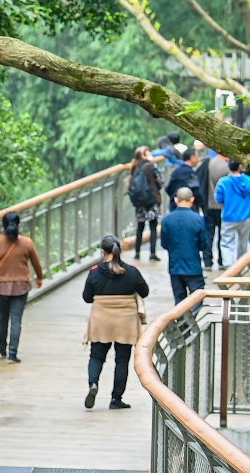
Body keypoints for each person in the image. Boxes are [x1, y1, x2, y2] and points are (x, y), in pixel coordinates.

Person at [82, 236, 150, 409]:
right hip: (125, 321)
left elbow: (87, 298)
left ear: (103, 251)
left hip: (101, 319)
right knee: (122, 360)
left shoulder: (95, 271)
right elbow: (145, 291)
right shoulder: (132, 271)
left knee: (96, 355)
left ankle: (93, 384)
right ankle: (116, 399)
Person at [0, 212, 43, 362]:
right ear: (19, 225)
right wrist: (39, 277)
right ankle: (12, 354)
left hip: (0, 287)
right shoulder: (27, 242)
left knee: (3, 318)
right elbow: (36, 262)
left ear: (3, 226)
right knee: (16, 319)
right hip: (21, 286)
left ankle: (1, 348)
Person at [160, 187, 209, 304]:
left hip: (174, 266)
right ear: (192, 199)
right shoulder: (198, 219)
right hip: (193, 266)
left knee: (179, 299)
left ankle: (183, 321)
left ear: (176, 200)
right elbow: (204, 244)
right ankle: (189, 320)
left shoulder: (167, 220)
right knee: (197, 297)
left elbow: (164, 243)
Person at [214, 158, 250, 266]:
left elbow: (218, 199)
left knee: (227, 243)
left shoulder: (223, 182)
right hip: (245, 216)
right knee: (243, 243)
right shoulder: (249, 181)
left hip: (228, 216)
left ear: (229, 166)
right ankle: (240, 265)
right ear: (240, 166)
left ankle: (229, 267)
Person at [128, 147, 162, 261]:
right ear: (143, 155)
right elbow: (160, 181)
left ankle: (137, 252)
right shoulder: (151, 166)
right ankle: (152, 253)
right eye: (148, 152)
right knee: (153, 226)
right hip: (151, 201)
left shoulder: (134, 166)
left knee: (140, 227)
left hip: (139, 202)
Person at [202, 148, 229, 265]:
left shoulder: (208, 163)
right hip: (223, 206)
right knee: (222, 235)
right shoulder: (226, 167)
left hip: (209, 204)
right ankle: (221, 260)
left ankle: (207, 261)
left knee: (209, 234)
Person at [165, 146, 202, 211]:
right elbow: (197, 192)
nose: (198, 159)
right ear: (192, 157)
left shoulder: (175, 172)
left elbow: (168, 189)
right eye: (197, 157)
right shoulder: (191, 173)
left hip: (174, 207)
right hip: (190, 209)